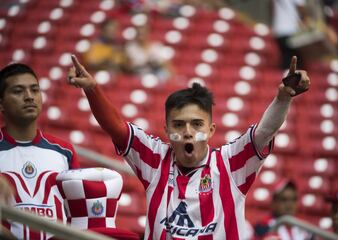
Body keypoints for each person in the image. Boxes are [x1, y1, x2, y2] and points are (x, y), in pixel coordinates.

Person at [67, 54, 310, 239]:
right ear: (166, 130)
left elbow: (265, 131)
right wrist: (92, 89)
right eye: (179, 125)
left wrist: (283, 98)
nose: (187, 132)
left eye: (196, 124)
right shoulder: (154, 159)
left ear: (211, 130)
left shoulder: (230, 163)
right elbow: (117, 128)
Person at [0, 63, 79, 239]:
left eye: (35, 90)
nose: (29, 97)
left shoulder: (64, 151)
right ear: (1, 103)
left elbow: (77, 213)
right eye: (18, 91)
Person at [270, 0, 310, 69]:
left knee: (286, 58)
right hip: (292, 31)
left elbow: (271, 8)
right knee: (294, 60)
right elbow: (301, 7)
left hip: (279, 30)